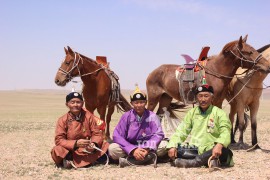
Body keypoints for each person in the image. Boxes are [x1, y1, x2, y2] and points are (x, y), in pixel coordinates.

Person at [167, 84, 233, 168]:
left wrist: (219, 144)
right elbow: (181, 131)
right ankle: (208, 161)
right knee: (176, 149)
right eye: (200, 96)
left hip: (212, 149)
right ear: (196, 98)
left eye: (206, 96)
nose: (203, 99)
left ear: (212, 98)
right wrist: (173, 145)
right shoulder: (192, 113)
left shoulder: (219, 113)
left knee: (224, 150)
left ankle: (195, 162)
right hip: (196, 150)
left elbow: (226, 131)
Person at [108, 85, 164, 167]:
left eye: (142, 102)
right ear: (132, 103)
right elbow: (117, 136)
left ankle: (130, 160)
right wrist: (133, 150)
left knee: (164, 145)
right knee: (112, 149)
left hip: (147, 146)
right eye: (136, 103)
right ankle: (148, 159)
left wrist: (146, 148)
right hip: (130, 146)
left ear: (146, 102)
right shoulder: (126, 116)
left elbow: (158, 134)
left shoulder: (152, 116)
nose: (139, 105)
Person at [51, 92, 109, 169]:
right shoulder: (62, 120)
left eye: (78, 102)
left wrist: (94, 144)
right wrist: (75, 143)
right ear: (67, 104)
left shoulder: (89, 116)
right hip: (70, 150)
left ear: (83, 103)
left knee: (106, 145)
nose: (75, 104)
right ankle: (69, 159)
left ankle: (72, 162)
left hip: (87, 149)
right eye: (72, 102)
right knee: (57, 150)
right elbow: (59, 140)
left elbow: (97, 134)